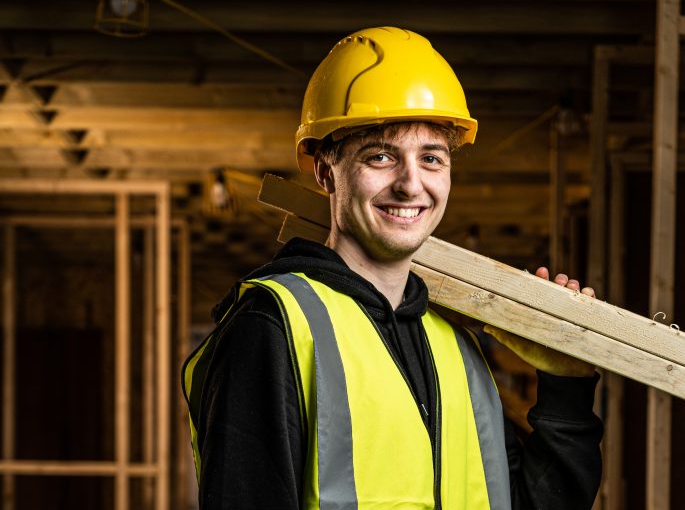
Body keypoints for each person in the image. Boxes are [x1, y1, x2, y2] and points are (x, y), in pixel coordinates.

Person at [182, 26, 603, 509]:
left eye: (431, 158)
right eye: (381, 156)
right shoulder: (273, 325)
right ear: (325, 170)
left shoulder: (455, 347)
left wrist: (567, 386)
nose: (411, 184)